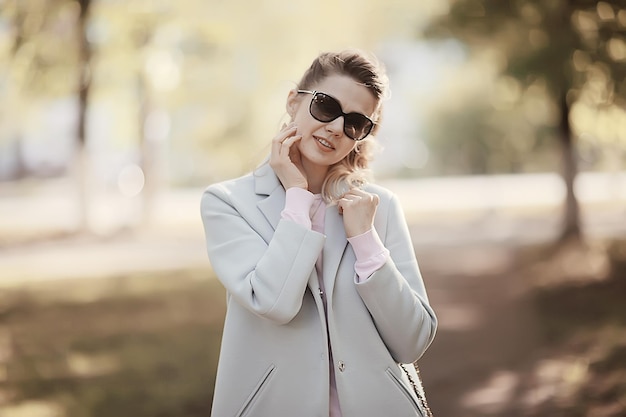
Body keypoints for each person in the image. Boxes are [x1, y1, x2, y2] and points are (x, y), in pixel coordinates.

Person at [200, 49, 437, 417]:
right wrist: (296, 197)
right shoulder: (228, 203)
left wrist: (366, 241)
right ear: (294, 102)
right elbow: (273, 302)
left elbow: (413, 341)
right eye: (327, 107)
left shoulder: (379, 208)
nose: (337, 128)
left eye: (356, 122)